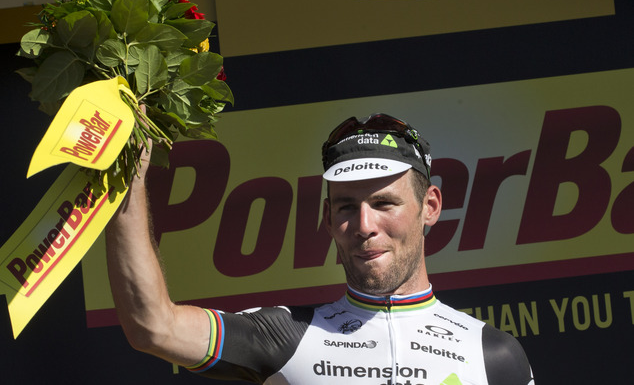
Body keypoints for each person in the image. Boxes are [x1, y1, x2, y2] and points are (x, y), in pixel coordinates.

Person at [106, 113, 535, 384]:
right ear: (328, 220)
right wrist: (128, 173)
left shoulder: (492, 354)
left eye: (385, 203)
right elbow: (152, 326)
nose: (364, 226)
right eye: (347, 207)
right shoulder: (286, 334)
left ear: (431, 207)